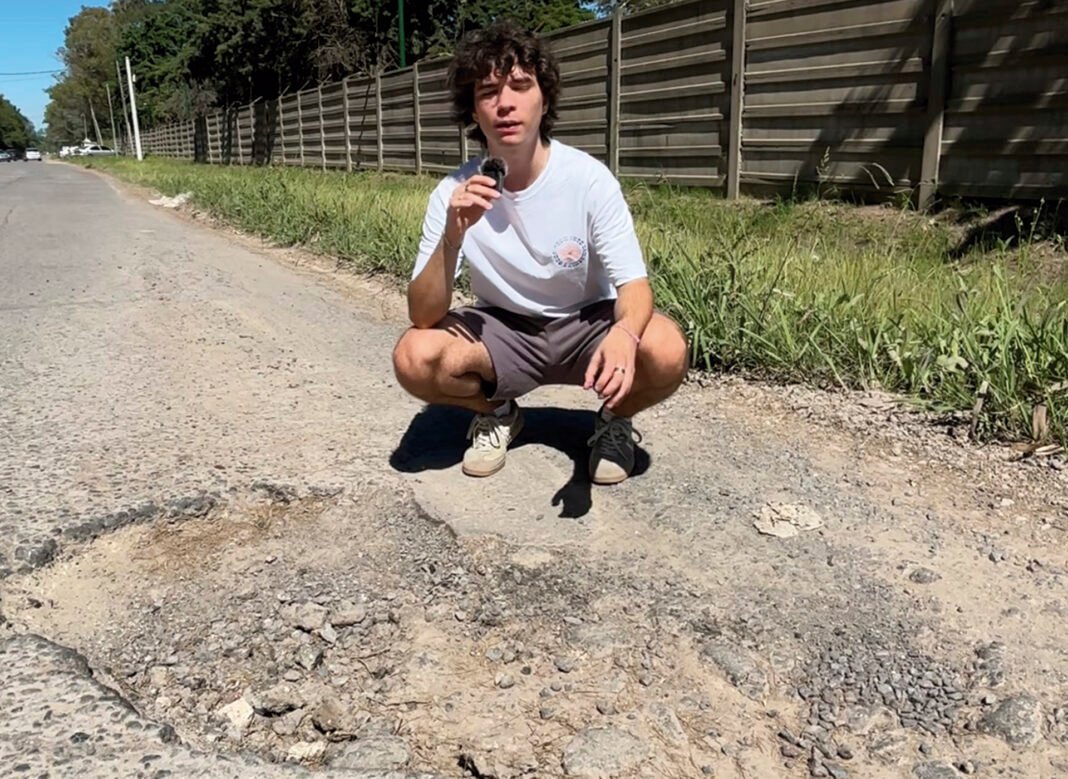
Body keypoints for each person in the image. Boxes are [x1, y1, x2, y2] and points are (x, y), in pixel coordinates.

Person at [392, 19, 689, 485]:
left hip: (586, 324)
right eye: (488, 92)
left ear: (544, 99)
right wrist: (452, 236)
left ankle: (614, 420)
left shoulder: (588, 180)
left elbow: (634, 284)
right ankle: (498, 413)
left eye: (520, 86)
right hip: (504, 330)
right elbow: (424, 315)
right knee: (414, 356)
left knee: (666, 348)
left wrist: (626, 334)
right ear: (474, 111)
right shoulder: (453, 192)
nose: (505, 103)